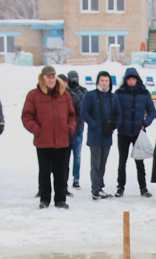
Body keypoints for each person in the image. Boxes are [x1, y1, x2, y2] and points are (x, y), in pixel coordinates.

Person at [22, 65, 76, 209]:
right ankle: (45, 199)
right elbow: (26, 116)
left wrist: (69, 129)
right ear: (43, 78)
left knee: (61, 171)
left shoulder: (65, 94)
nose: (51, 80)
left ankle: (60, 199)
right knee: (45, 171)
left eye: (53, 77)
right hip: (43, 140)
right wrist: (37, 130)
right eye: (48, 77)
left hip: (62, 140)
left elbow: (72, 115)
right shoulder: (34, 95)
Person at [80, 70, 122, 201]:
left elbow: (118, 113)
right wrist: (94, 124)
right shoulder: (90, 95)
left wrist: (114, 125)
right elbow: (84, 112)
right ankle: (95, 189)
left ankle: (100, 185)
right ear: (98, 81)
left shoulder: (113, 97)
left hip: (107, 134)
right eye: (102, 80)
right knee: (96, 162)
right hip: (95, 135)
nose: (104, 83)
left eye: (106, 81)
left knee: (103, 162)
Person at [115, 67, 156, 198]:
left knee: (140, 160)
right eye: (129, 79)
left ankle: (143, 187)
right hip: (123, 131)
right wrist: (119, 123)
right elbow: (115, 110)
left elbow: (152, 111)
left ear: (137, 80)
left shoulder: (144, 93)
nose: (131, 81)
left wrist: (145, 123)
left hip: (138, 132)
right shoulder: (119, 93)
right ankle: (120, 187)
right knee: (122, 161)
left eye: (133, 79)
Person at [64, 71, 87, 190]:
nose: (74, 80)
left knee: (77, 156)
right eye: (72, 78)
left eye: (76, 78)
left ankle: (76, 179)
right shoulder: (65, 93)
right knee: (65, 157)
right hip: (67, 130)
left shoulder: (83, 91)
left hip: (78, 129)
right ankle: (65, 179)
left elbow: (84, 109)